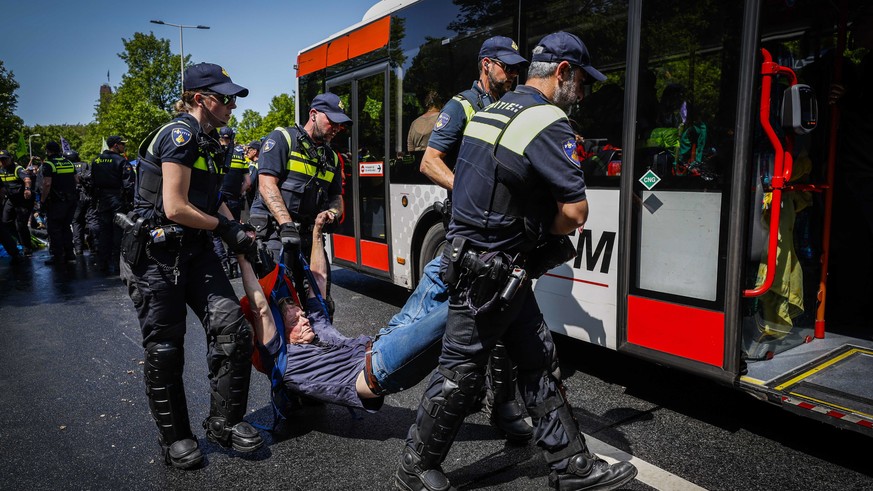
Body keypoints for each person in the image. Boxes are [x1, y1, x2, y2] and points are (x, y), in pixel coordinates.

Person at [395, 32, 638, 491]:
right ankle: (413, 467)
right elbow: (575, 213)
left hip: (486, 262)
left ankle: (571, 467)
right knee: (461, 372)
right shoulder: (549, 119)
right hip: (492, 271)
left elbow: (472, 183)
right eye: (582, 83)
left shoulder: (489, 112)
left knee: (538, 358)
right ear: (562, 73)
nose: (582, 95)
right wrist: (540, 228)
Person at [119, 62, 263, 469]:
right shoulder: (180, 135)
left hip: (194, 251)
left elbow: (210, 196)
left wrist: (238, 232)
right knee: (166, 350)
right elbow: (176, 206)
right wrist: (224, 228)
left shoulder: (213, 140)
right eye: (225, 98)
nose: (232, 105)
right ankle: (176, 438)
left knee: (232, 328)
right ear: (201, 99)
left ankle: (224, 422)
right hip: (155, 257)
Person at [420, 35, 534, 443]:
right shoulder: (461, 106)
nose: (514, 72)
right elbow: (429, 161)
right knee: (469, 326)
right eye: (506, 65)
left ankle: (503, 406)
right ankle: (461, 406)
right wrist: (466, 189)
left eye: (518, 66)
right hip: (471, 236)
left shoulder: (512, 105)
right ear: (486, 65)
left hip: (506, 234)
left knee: (503, 325)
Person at [241, 210, 449, 415]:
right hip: (378, 367)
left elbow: (319, 278)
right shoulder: (282, 359)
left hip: (387, 337)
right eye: (295, 320)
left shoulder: (317, 326)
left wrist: (316, 232)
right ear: (280, 330)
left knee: (436, 268)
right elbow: (260, 309)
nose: (303, 319)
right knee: (451, 312)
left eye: (302, 314)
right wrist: (242, 255)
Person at [249, 92, 348, 318]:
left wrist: (333, 212)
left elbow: (336, 197)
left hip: (309, 240)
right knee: (282, 311)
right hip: (277, 237)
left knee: (322, 306)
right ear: (313, 114)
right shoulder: (281, 139)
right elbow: (266, 185)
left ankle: (318, 352)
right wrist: (286, 225)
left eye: (341, 124)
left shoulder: (332, 157)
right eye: (332, 121)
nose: (337, 128)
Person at [92, 135, 134, 273]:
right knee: (119, 232)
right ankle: (118, 264)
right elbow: (129, 185)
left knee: (104, 232)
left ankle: (102, 263)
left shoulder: (96, 160)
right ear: (116, 145)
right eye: (122, 144)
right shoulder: (121, 161)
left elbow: (92, 182)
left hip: (102, 200)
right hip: (117, 199)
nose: (124, 146)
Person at [212, 126, 248, 278]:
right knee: (233, 229)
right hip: (234, 200)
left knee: (215, 233)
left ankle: (223, 264)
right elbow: (248, 182)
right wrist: (238, 194)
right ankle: (234, 263)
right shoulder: (240, 155)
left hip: (219, 199)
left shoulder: (216, 151)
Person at [41, 141, 79, 265]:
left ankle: (58, 256)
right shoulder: (68, 162)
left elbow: (47, 184)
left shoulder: (49, 164)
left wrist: (42, 200)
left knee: (55, 229)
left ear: (48, 151)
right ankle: (70, 254)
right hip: (71, 200)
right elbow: (76, 180)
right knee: (66, 227)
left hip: (57, 202)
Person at [0, 149, 34, 257]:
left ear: (10, 158)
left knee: (21, 225)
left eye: (5, 159)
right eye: (1, 160)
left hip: (23, 200)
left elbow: (27, 179)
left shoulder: (17, 168)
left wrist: (27, 189)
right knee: (5, 222)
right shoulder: (1, 170)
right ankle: (19, 241)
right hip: (11, 199)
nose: (3, 162)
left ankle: (27, 248)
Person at [68, 150, 98, 256]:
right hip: (89, 196)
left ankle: (78, 249)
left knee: (76, 222)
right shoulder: (85, 165)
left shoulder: (67, 166)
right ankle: (95, 247)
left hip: (76, 198)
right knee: (92, 221)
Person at [407, 90, 441, 154]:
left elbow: (410, 149)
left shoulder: (414, 123)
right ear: (441, 104)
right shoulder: (442, 119)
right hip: (435, 160)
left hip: (417, 162)